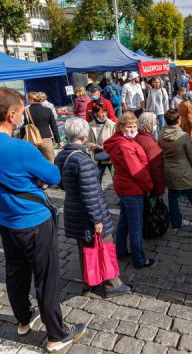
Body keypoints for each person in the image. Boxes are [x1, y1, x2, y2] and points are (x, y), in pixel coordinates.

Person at [0, 88, 86, 352]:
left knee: (16, 273)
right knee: (46, 278)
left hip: (6, 220)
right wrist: (34, 178)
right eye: (22, 111)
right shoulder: (21, 148)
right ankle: (57, 335)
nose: (24, 116)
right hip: (33, 220)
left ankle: (23, 320)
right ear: (12, 115)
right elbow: (54, 176)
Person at [55, 118, 130, 297]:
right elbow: (90, 194)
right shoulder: (82, 160)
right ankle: (112, 284)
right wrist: (97, 219)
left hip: (72, 208)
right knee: (104, 246)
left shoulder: (61, 156)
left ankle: (89, 282)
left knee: (86, 249)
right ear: (83, 135)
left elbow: (60, 182)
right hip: (88, 212)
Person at [103, 112, 154, 269]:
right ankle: (139, 259)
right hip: (132, 189)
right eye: (129, 126)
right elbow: (137, 171)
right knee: (135, 225)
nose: (133, 129)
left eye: (134, 126)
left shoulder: (121, 141)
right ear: (120, 127)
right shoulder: (124, 145)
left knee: (125, 220)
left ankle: (120, 250)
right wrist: (149, 186)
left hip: (123, 187)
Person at [159, 109, 192, 232]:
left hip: (169, 169)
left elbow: (160, 150)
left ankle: (176, 223)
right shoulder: (183, 136)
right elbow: (190, 155)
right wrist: (191, 165)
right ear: (178, 121)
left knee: (172, 197)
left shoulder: (162, 134)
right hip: (183, 170)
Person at [24, 91, 62, 163]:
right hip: (47, 139)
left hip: (32, 140)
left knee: (35, 162)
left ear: (31, 100)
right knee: (51, 162)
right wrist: (58, 141)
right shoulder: (48, 110)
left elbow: (23, 128)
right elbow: (54, 127)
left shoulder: (26, 111)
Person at [135, 112, 166, 198]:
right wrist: (159, 189)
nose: (156, 126)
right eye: (154, 123)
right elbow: (155, 167)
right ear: (147, 124)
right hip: (150, 185)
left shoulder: (138, 136)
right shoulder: (149, 143)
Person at [86, 103, 117, 185]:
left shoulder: (112, 125)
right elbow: (86, 141)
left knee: (117, 179)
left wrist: (107, 146)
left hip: (110, 157)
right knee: (96, 180)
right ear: (95, 114)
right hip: (98, 157)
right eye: (100, 112)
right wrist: (92, 145)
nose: (103, 114)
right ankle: (98, 196)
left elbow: (116, 141)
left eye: (104, 112)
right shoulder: (90, 125)